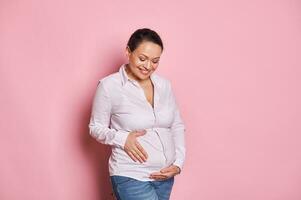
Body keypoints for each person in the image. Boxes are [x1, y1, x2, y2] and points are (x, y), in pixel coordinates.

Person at [88, 28, 186, 200]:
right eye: (143, 59)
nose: (148, 66)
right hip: (130, 175)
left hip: (164, 177)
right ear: (128, 51)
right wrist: (122, 139)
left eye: (155, 61)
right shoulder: (109, 86)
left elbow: (176, 125)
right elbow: (95, 127)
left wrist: (178, 163)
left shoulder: (164, 86)